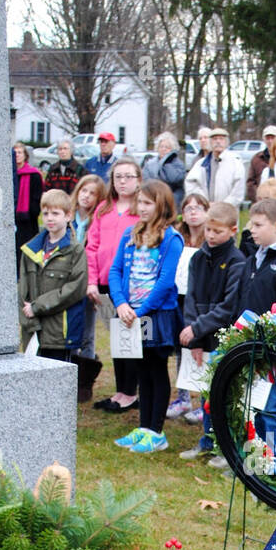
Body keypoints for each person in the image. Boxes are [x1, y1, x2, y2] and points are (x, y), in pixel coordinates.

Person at [108, 180, 184, 454]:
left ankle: (156, 432)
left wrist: (140, 312)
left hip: (155, 315)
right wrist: (121, 304)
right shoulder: (130, 233)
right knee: (140, 367)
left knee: (156, 368)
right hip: (129, 313)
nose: (141, 207)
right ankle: (143, 428)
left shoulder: (171, 239)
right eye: (139, 202)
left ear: (161, 205)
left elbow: (165, 281)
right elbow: (115, 271)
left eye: (147, 203)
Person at [178, 201, 245, 466]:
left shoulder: (237, 262)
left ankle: (223, 447)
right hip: (200, 334)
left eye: (217, 231)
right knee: (205, 391)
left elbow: (228, 308)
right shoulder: (198, 257)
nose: (211, 236)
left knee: (221, 394)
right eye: (208, 230)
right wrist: (194, 336)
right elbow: (191, 298)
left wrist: (198, 327)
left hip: (223, 336)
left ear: (232, 230)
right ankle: (206, 440)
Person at [85, 157, 142, 412]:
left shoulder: (142, 210)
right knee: (117, 339)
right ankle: (121, 390)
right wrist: (91, 281)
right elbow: (92, 247)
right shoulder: (103, 209)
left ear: (138, 179)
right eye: (118, 176)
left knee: (132, 339)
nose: (122, 181)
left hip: (133, 286)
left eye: (128, 176)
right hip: (106, 284)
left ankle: (132, 391)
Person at [18, 189, 88, 362]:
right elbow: (22, 290)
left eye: (55, 213)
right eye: (46, 213)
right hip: (34, 330)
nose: (49, 218)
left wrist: (38, 306)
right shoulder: (30, 250)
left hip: (60, 332)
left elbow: (75, 288)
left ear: (68, 215)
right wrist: (29, 321)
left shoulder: (75, 250)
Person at [168, 192, 211, 422]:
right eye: (188, 208)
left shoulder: (210, 240)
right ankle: (183, 397)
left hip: (201, 302)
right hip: (179, 299)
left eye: (198, 208)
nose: (193, 212)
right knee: (180, 349)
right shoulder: (177, 239)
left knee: (201, 350)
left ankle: (204, 401)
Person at [69, 173, 108, 400]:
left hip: (89, 283)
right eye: (84, 190)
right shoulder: (67, 217)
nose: (86, 196)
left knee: (88, 332)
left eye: (92, 193)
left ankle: (85, 380)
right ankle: (70, 372)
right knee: (71, 330)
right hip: (68, 284)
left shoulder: (97, 221)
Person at [233, 198, 276, 315]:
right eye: (252, 225)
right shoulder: (252, 260)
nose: (252, 230)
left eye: (258, 225)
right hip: (243, 330)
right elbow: (238, 301)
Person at [185, 127, 246, 205]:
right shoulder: (201, 163)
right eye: (215, 139)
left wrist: (221, 206)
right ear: (210, 142)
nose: (218, 141)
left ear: (227, 142)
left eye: (221, 139)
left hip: (228, 212)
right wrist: (203, 202)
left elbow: (238, 192)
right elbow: (191, 183)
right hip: (206, 210)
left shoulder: (236, 163)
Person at [13, 141, 43, 275]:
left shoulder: (34, 174)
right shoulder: (8, 174)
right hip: (13, 219)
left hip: (27, 219)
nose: (17, 155)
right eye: (15, 152)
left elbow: (37, 197)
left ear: (25, 155)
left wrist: (30, 212)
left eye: (20, 152)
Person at [142, 132, 186, 206]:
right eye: (161, 146)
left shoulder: (178, 164)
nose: (163, 149)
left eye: (167, 147)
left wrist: (166, 163)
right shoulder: (150, 164)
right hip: (153, 199)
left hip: (172, 202)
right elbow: (146, 181)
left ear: (173, 149)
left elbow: (176, 180)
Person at [246, 124, 276, 202]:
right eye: (267, 138)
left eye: (273, 138)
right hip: (261, 203)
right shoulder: (256, 159)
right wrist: (258, 199)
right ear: (263, 140)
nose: (270, 141)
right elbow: (251, 182)